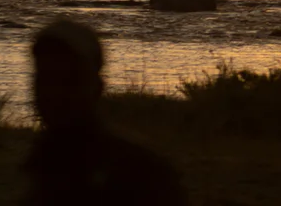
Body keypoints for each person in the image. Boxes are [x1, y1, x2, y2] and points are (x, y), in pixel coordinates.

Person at [24, 17, 187, 206]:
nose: (55, 93)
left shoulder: (141, 172)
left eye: (70, 81)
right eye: (46, 79)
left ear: (97, 88)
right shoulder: (41, 162)